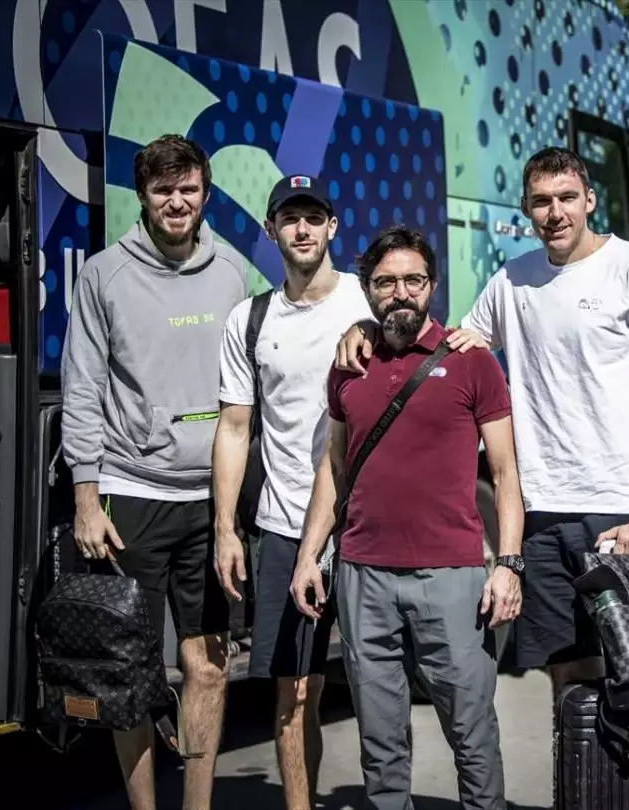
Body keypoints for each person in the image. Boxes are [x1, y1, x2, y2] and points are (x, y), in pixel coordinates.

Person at [333, 148, 629, 716]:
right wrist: (362, 326)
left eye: (567, 198)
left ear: (590, 200)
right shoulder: (512, 279)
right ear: (526, 209)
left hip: (620, 510)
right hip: (543, 511)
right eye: (542, 202)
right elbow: (439, 342)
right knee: (568, 683)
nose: (556, 212)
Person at [290, 226, 523, 810]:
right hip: (363, 576)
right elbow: (334, 467)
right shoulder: (349, 366)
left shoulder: (473, 365)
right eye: (386, 282)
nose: (401, 292)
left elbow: (506, 473)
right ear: (368, 290)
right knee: (380, 740)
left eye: (413, 280)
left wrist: (509, 563)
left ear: (432, 286)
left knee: (471, 731)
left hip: (453, 576)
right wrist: (308, 556)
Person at [60, 134, 247, 810]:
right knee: (128, 673)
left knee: (208, 665)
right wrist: (87, 500)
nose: (177, 201)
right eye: (163, 190)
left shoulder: (231, 271)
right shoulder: (104, 275)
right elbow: (81, 389)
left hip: (209, 505)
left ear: (205, 192)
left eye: (189, 189)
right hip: (130, 498)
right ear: (143, 195)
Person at [211, 174, 373, 809]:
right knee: (294, 693)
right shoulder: (250, 320)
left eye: (314, 217)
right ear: (272, 229)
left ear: (333, 226)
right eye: (290, 218)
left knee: (382, 687)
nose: (302, 229)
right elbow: (232, 427)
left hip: (364, 525)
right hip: (283, 527)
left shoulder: (372, 302)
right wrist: (227, 527)